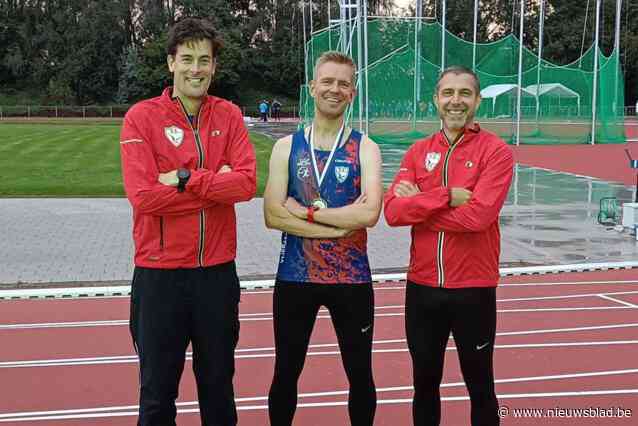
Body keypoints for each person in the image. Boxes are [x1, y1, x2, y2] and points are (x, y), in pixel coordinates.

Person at [119, 17, 257, 426]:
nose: (196, 68)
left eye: (204, 60)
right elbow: (143, 197)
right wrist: (216, 185)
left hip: (215, 276)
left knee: (218, 392)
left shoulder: (229, 115)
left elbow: (247, 184)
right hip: (159, 278)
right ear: (170, 63)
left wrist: (184, 179)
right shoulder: (141, 118)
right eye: (187, 59)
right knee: (158, 396)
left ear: (214, 66)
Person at [384, 65, 513, 426]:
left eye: (464, 93)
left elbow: (478, 218)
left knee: (480, 385)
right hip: (422, 289)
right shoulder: (417, 151)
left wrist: (420, 204)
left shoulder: (496, 152)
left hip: (474, 290)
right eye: (448, 93)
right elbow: (393, 212)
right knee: (424, 383)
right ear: (436, 100)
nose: (455, 100)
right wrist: (446, 196)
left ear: (478, 100)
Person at [264, 51, 383, 426]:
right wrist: (338, 227)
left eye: (343, 83)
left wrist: (308, 212)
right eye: (327, 82)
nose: (335, 89)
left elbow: (369, 214)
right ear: (312, 87)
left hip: (351, 278)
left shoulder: (366, 148)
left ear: (353, 93)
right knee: (286, 372)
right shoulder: (287, 147)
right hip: (296, 277)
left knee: (360, 374)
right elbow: (272, 215)